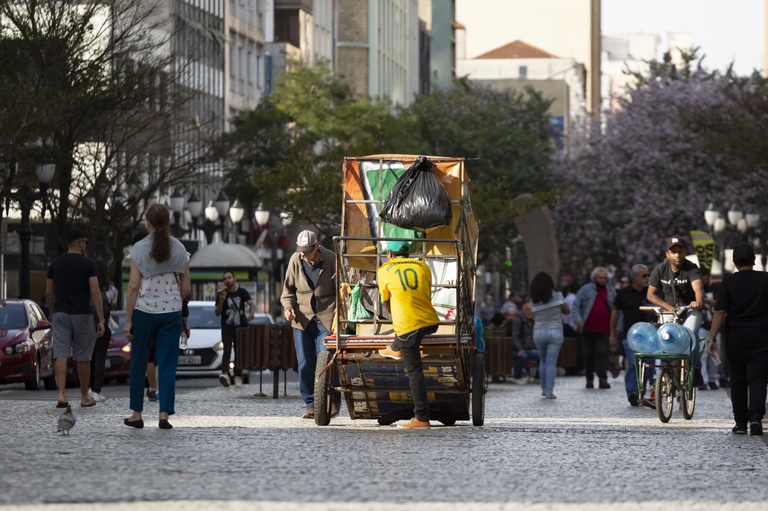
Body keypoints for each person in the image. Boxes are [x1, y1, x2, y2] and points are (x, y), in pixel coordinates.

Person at [124, 203, 190, 430]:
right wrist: (177, 305)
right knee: (168, 364)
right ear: (169, 222)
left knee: (139, 362)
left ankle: (136, 413)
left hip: (144, 312)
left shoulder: (139, 249)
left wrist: (129, 319)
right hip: (171, 312)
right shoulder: (180, 248)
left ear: (147, 223)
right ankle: (164, 415)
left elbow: (133, 286)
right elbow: (186, 288)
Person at [707, 243, 768, 436]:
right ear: (754, 260)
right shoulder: (766, 279)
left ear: (734, 262)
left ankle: (741, 423)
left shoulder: (729, 282)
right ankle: (756, 418)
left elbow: (720, 311)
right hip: (762, 338)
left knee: (738, 381)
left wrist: (711, 338)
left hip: (736, 339)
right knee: (758, 378)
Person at [377, 241, 440, 428]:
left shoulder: (384, 269)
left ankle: (422, 417)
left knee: (414, 371)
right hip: (430, 321)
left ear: (390, 254)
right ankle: (395, 348)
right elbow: (426, 294)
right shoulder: (422, 265)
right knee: (404, 339)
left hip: (408, 326)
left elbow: (385, 302)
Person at [281, 229, 341, 419]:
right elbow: (288, 291)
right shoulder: (295, 260)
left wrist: (340, 314)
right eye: (302, 250)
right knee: (305, 362)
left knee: (326, 359)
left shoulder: (331, 259)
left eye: (308, 250)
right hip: (302, 318)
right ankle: (311, 403)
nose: (305, 254)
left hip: (326, 317)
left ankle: (332, 399)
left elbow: (342, 289)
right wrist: (288, 307)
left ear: (317, 246)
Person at [46, 228, 105, 408]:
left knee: (61, 354)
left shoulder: (55, 264)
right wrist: (101, 319)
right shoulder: (89, 265)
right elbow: (95, 292)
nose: (86, 245)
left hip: (61, 314)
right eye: (86, 242)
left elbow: (49, 292)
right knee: (83, 357)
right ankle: (84, 397)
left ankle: (62, 395)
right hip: (82, 314)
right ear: (80, 243)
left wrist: (52, 311)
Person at [647, 235, 705, 387]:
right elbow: (651, 295)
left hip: (689, 311)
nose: (677, 255)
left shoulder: (691, 268)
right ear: (667, 254)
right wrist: (670, 309)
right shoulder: (660, 269)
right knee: (662, 338)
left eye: (680, 251)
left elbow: (698, 288)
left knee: (690, 332)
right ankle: (657, 377)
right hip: (669, 312)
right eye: (673, 252)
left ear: (685, 252)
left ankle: (696, 368)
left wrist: (697, 301)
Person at [610, 264, 653, 406]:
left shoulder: (652, 293)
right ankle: (632, 392)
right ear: (634, 278)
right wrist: (612, 334)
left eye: (648, 275)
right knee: (634, 364)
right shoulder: (623, 294)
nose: (647, 278)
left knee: (646, 365)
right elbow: (615, 314)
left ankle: (642, 391)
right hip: (631, 336)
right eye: (644, 276)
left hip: (650, 336)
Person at [571, 266, 615, 389]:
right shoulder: (585, 290)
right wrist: (578, 319)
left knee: (602, 354)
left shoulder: (611, 290)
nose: (603, 280)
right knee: (588, 355)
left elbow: (616, 308)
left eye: (605, 278)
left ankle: (603, 379)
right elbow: (576, 306)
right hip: (587, 329)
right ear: (594, 278)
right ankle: (589, 379)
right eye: (600, 278)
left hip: (604, 329)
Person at [529, 272, 570, 399]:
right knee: (551, 362)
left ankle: (543, 388)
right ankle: (549, 391)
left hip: (539, 331)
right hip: (555, 331)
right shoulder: (557, 295)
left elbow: (533, 315)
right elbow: (567, 311)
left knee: (543, 360)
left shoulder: (533, 299)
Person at [214, 271, 255, 387]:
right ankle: (225, 374)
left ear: (234, 279)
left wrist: (251, 313)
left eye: (229, 278)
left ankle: (238, 375)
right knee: (226, 351)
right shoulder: (222, 294)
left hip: (239, 327)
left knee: (239, 351)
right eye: (225, 279)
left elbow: (252, 304)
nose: (227, 280)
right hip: (227, 327)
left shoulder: (242, 292)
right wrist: (221, 300)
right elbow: (217, 313)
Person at [88, 260, 118, 402]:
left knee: (88, 358)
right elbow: (113, 306)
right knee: (100, 359)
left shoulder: (88, 286)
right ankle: (97, 391)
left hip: (88, 326)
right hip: (105, 326)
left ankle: (87, 388)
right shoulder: (111, 289)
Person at [508, 302, 539, 384]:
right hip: (519, 349)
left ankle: (538, 377)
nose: (530, 312)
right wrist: (519, 348)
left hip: (531, 349)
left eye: (531, 310)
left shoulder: (535, 322)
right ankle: (517, 376)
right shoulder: (518, 321)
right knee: (522, 356)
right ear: (523, 311)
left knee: (541, 354)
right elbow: (515, 337)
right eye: (527, 310)